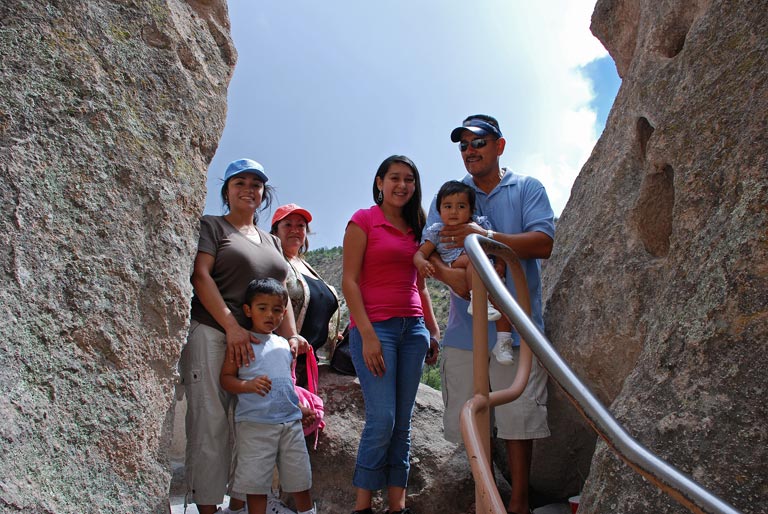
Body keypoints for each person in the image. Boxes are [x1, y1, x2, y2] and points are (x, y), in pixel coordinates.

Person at [428, 116, 555, 514]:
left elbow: (543, 242)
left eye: (479, 142)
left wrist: (485, 237)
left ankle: (518, 502)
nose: (470, 150)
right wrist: (452, 275)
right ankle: (483, 497)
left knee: (519, 419)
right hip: (464, 331)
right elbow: (433, 249)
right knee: (470, 418)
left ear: (500, 146)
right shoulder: (450, 195)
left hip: (516, 327)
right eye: (463, 144)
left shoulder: (527, 188)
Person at [178, 158, 307, 514]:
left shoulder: (271, 240)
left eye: (256, 184)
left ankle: (238, 506)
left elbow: (281, 291)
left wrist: (291, 336)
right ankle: (205, 507)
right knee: (211, 422)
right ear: (227, 191)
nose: (248, 189)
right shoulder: (213, 226)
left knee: (254, 425)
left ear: (264, 194)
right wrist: (232, 326)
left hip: (260, 345)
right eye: (240, 183)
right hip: (214, 333)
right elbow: (201, 276)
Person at [342, 155, 441, 514]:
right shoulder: (364, 220)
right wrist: (366, 334)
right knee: (382, 418)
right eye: (395, 178)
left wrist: (432, 328)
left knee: (403, 421)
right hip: (376, 329)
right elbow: (349, 281)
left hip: (413, 330)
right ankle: (363, 507)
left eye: (409, 179)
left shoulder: (419, 225)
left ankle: (397, 507)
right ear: (380, 182)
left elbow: (423, 285)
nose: (402, 185)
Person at [220, 278, 316, 514]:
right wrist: (248, 385)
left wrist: (299, 408)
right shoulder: (243, 343)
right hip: (255, 425)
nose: (269, 315)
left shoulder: (284, 344)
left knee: (300, 481)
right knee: (256, 486)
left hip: (290, 425)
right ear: (248, 310)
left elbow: (285, 382)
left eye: (276, 310)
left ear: (284, 313)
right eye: (262, 308)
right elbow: (226, 379)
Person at [413, 179, 516, 365]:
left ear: (470, 210)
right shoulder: (437, 232)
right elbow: (421, 253)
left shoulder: (478, 225)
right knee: (473, 257)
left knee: (501, 305)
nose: (454, 211)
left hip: (487, 270)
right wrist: (421, 263)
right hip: (459, 266)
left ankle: (503, 341)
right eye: (447, 206)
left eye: (461, 206)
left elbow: (497, 247)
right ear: (439, 210)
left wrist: (500, 264)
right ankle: (478, 299)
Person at [270, 203, 342, 387]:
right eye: (288, 225)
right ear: (275, 231)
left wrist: (332, 334)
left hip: (312, 364)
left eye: (300, 225)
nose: (295, 230)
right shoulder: (273, 261)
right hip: (282, 360)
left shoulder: (307, 267)